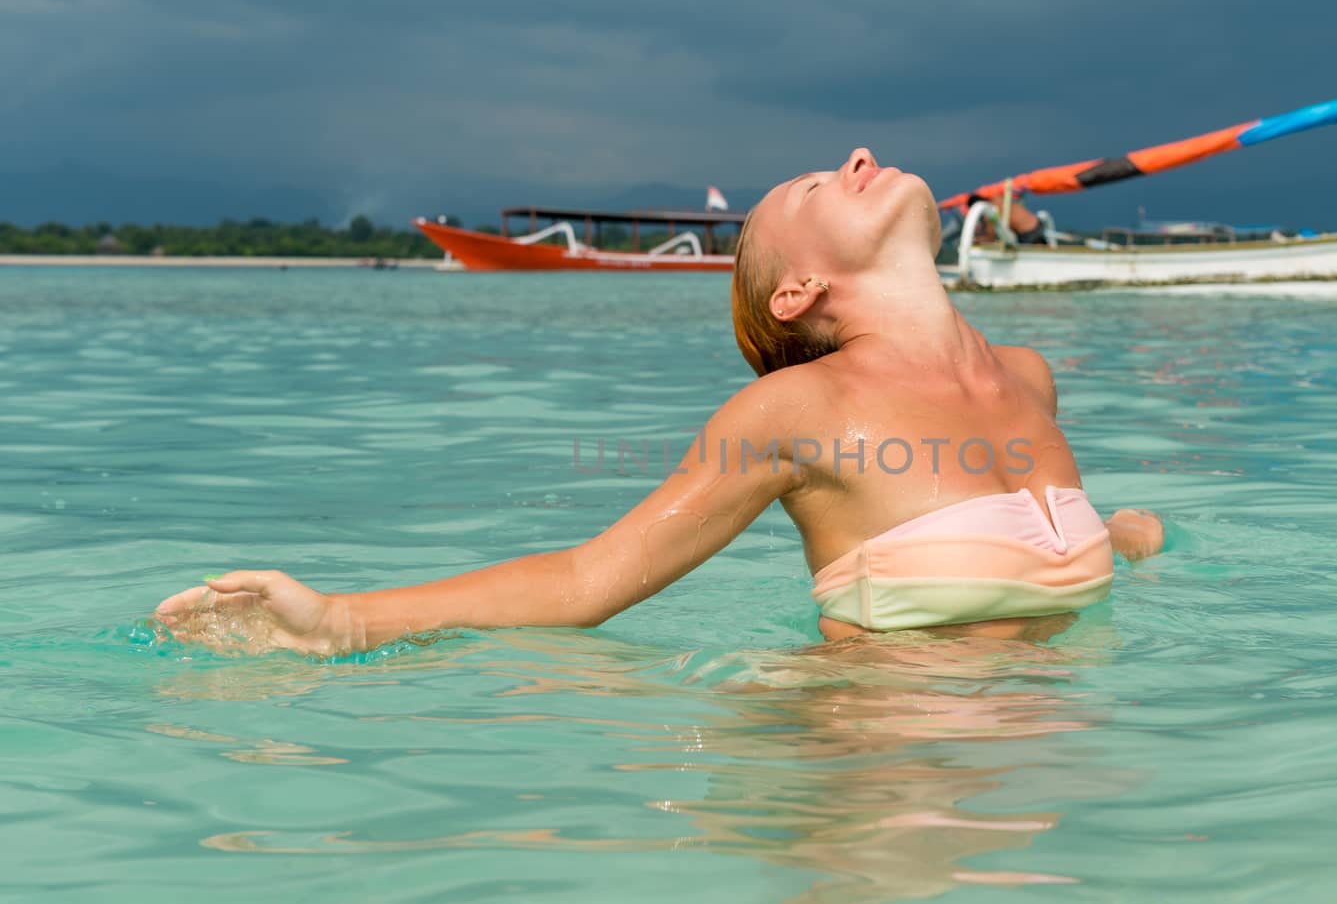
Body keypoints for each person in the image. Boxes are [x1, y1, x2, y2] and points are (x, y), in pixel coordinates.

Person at [155, 148, 1163, 655]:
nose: (857, 159)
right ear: (798, 293)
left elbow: (1000, 547)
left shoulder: (1026, 378)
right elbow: (590, 578)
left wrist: (1111, 538)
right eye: (819, 187)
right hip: (867, 775)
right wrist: (338, 620)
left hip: (1046, 773)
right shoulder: (791, 415)